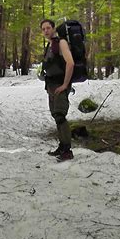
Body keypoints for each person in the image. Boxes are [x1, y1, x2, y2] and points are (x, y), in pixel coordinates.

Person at [40, 19, 74, 161]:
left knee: (60, 116)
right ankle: (62, 146)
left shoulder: (61, 43)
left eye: (48, 28)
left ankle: (67, 150)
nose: (46, 31)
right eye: (43, 29)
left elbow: (70, 63)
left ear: (54, 29)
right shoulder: (50, 45)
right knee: (56, 116)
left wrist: (65, 84)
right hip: (52, 86)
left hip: (60, 85)